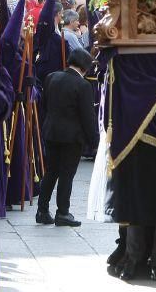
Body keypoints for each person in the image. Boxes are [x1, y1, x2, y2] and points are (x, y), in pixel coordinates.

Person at [37, 48, 99, 227]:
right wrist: (94, 141)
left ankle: (42, 210)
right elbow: (88, 117)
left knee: (51, 171)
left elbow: (45, 105)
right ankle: (63, 212)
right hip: (71, 137)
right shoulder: (83, 85)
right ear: (85, 67)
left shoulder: (52, 77)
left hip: (51, 131)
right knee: (66, 175)